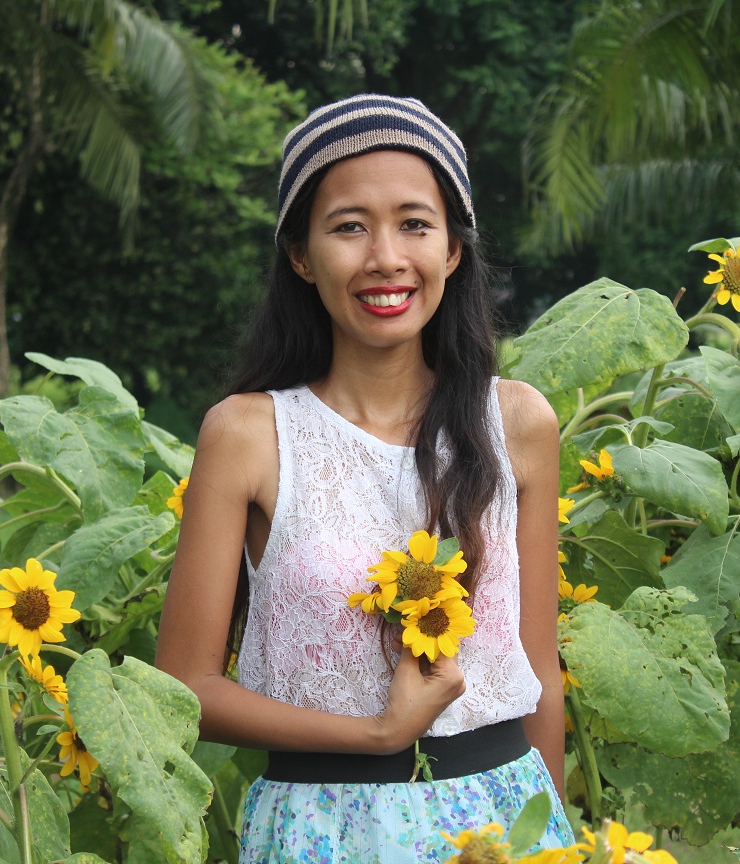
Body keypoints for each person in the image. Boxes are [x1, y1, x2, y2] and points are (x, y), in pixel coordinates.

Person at [155, 93, 574, 863]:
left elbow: (537, 671)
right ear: (300, 255)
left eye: (415, 224)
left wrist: (556, 847)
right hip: (322, 832)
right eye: (349, 226)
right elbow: (184, 688)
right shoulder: (247, 435)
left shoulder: (517, 423)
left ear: (454, 249)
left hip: (504, 823)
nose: (386, 257)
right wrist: (377, 735)